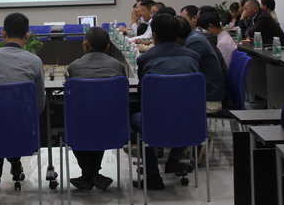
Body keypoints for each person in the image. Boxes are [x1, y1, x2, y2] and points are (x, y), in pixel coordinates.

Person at [0, 12, 45, 194]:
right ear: (27, 36)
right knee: (11, 120)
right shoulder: (35, 61)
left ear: (3, 34)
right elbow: (39, 103)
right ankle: (15, 163)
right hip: (22, 129)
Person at [134, 14, 199, 190]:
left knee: (138, 119)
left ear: (154, 36)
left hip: (156, 122)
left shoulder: (145, 59)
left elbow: (142, 97)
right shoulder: (193, 57)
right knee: (184, 113)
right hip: (191, 121)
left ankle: (152, 175)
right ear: (178, 34)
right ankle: (174, 160)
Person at [66, 27, 126, 191]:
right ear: (108, 47)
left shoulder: (74, 67)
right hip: (112, 124)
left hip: (81, 125)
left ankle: (88, 175)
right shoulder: (118, 66)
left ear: (85, 45)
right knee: (100, 119)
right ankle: (93, 175)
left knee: (80, 123)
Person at [178, 16, 224, 113]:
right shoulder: (192, 37)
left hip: (209, 101)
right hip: (202, 95)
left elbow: (187, 73)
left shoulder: (195, 42)